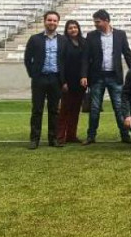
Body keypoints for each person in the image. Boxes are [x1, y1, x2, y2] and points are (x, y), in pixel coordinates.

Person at [81, 9, 131, 145]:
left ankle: (125, 135)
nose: (96, 24)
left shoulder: (120, 35)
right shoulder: (91, 36)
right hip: (97, 77)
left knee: (119, 107)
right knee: (94, 108)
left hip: (115, 77)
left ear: (106, 20)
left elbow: (127, 54)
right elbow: (86, 58)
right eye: (95, 22)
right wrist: (84, 75)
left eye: (98, 21)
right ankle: (91, 136)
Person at [23, 10, 66, 149]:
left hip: (55, 79)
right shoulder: (35, 39)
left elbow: (66, 61)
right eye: (49, 20)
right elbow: (27, 58)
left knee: (54, 111)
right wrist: (33, 74)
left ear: (58, 23)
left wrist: (63, 79)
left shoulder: (63, 40)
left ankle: (53, 139)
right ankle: (34, 139)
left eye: (54, 20)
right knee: (37, 110)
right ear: (44, 21)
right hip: (39, 78)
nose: (52, 22)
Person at [56, 19, 86, 145]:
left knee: (75, 110)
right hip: (67, 81)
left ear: (78, 29)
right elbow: (60, 63)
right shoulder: (63, 42)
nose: (73, 30)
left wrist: (85, 77)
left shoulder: (83, 42)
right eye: (70, 28)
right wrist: (63, 82)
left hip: (80, 82)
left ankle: (71, 135)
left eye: (75, 27)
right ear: (66, 30)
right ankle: (60, 136)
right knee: (64, 110)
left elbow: (86, 61)